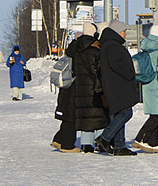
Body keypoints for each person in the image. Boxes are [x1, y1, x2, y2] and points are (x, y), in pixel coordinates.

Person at [95, 20, 138, 156]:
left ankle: (119, 146)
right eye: (124, 31)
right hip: (118, 86)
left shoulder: (109, 44)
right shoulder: (113, 45)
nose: (125, 34)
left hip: (115, 85)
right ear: (118, 32)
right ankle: (104, 138)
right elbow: (117, 64)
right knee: (126, 113)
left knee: (120, 113)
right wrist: (130, 72)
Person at [69, 22, 109, 153]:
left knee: (85, 116)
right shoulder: (96, 50)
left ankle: (86, 144)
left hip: (80, 87)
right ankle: (99, 142)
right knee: (99, 115)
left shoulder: (77, 50)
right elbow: (100, 70)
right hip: (94, 86)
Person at [132, 24, 158, 153]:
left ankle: (153, 142)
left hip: (148, 86)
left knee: (155, 114)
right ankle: (141, 138)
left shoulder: (147, 49)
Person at [51, 32, 81, 153]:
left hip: (65, 88)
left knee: (67, 116)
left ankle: (58, 139)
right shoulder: (78, 53)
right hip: (73, 88)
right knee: (71, 117)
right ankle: (68, 145)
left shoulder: (69, 52)